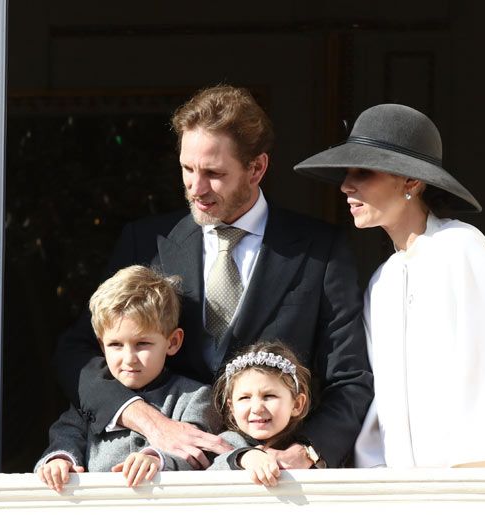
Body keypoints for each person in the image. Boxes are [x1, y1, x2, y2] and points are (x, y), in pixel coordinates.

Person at [55, 85, 373, 470]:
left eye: (213, 173)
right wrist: (149, 421)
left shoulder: (320, 250)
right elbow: (79, 352)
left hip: (275, 486)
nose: (196, 187)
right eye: (187, 169)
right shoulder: (146, 242)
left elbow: (350, 378)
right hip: (156, 479)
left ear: (257, 168)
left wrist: (306, 450)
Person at [293, 104, 485, 468]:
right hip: (407, 493)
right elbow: (383, 402)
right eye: (348, 172)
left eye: (364, 171)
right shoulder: (383, 282)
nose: (347, 185)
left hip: (472, 488)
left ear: (411, 181)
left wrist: (473, 468)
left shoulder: (461, 249)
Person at [36, 265, 219, 491]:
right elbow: (66, 436)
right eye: (115, 345)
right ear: (102, 346)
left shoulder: (194, 397)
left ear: (172, 342)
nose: (129, 358)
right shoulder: (89, 404)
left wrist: (156, 459)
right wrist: (60, 461)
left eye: (142, 344)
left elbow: (198, 453)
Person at [207, 341, 313, 486]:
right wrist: (244, 457)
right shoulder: (227, 441)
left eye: (269, 396)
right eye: (245, 398)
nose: (256, 408)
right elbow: (210, 473)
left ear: (297, 404)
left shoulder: (304, 445)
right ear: (232, 408)